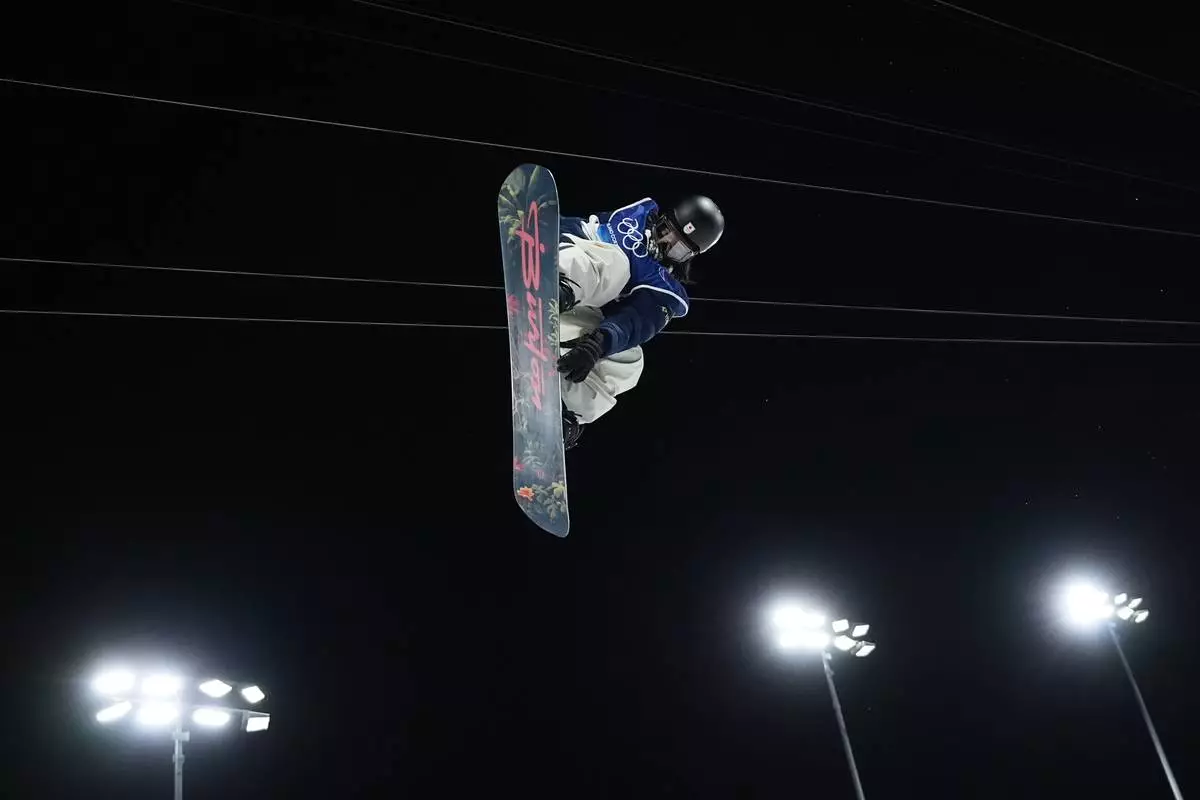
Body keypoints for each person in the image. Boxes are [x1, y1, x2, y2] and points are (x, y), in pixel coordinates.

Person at [554, 195, 724, 448]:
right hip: (565, 260)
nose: (665, 244)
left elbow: (638, 321)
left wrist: (597, 344)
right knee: (618, 264)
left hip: (573, 318)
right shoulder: (632, 221)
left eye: (677, 248)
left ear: (687, 256)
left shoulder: (663, 288)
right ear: (661, 219)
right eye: (666, 231)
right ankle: (561, 285)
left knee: (631, 361)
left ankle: (567, 408)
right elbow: (578, 227)